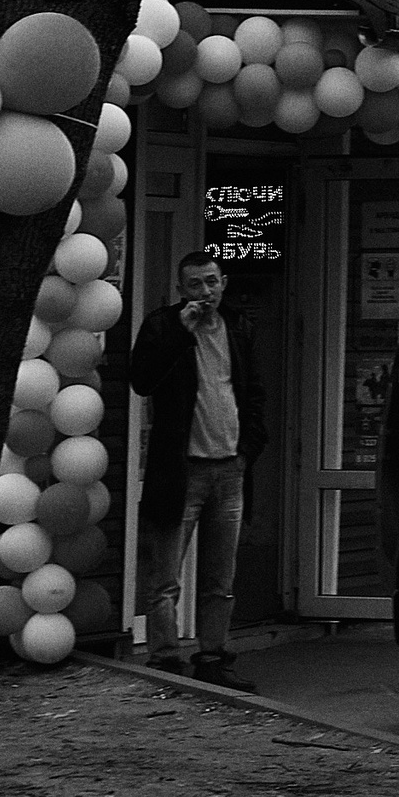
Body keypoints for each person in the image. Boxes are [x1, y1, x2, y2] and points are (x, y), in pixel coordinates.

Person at [130, 249, 269, 689]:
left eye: (212, 282)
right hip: (181, 469)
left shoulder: (239, 326)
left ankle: (214, 658)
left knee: (220, 578)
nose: (205, 292)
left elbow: (253, 391)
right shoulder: (161, 325)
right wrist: (178, 333)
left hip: (229, 468)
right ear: (180, 289)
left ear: (223, 281)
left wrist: (249, 448)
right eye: (195, 284)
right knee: (165, 576)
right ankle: (165, 660)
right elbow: (141, 380)